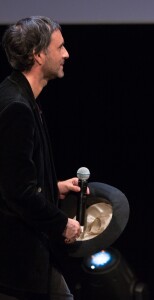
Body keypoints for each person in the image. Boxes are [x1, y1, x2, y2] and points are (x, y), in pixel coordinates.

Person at [0, 16, 83, 300]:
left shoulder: (19, 97)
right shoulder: (16, 108)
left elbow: (13, 175)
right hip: (16, 262)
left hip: (29, 257)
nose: (66, 54)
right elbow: (18, 191)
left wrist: (53, 187)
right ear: (38, 55)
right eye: (59, 47)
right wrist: (62, 223)